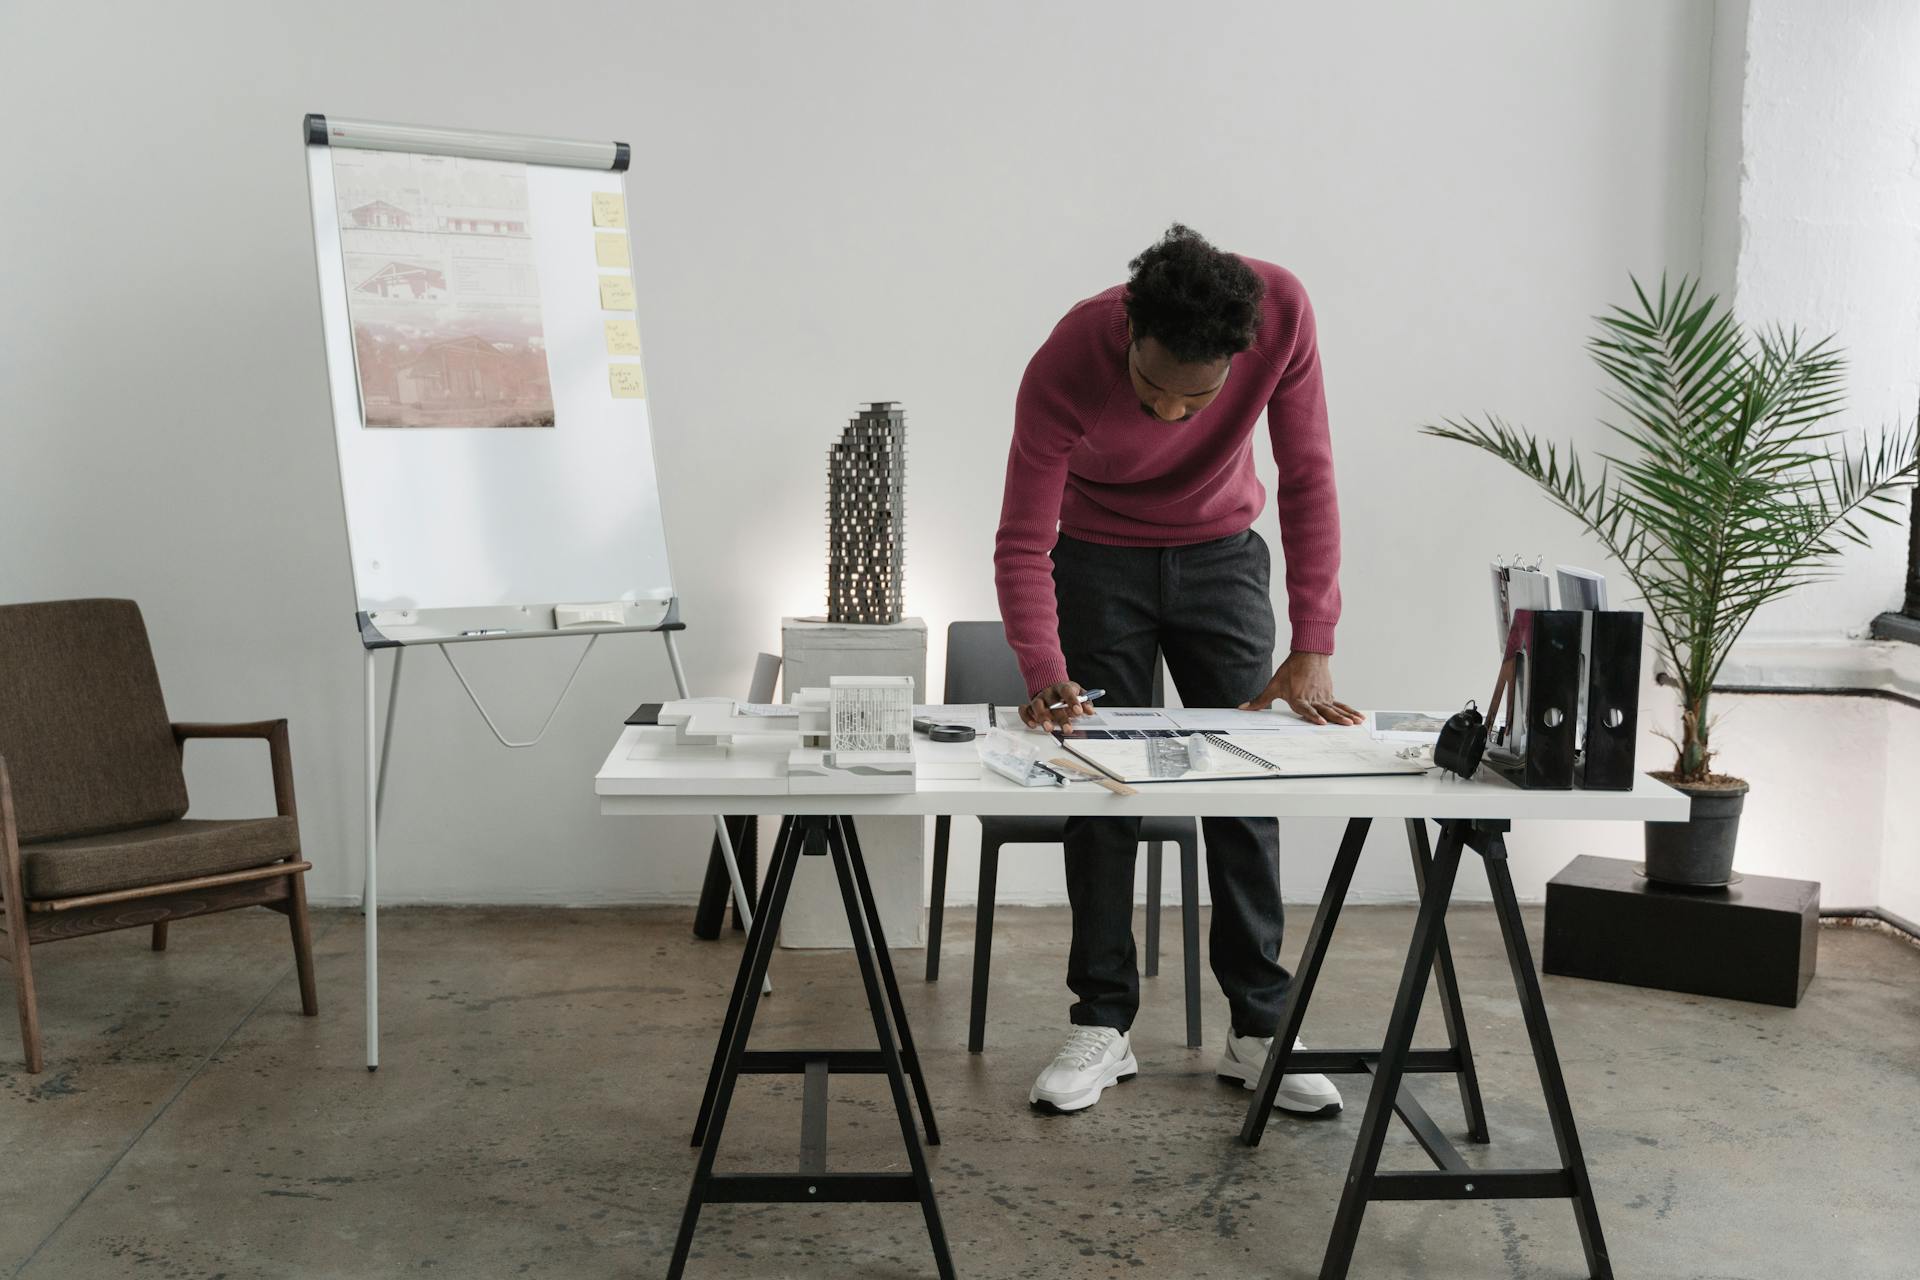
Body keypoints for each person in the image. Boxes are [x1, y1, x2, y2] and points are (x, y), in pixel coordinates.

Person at [993, 224, 1361, 1114]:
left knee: (1247, 786)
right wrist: (1043, 666)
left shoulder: (1285, 317)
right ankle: (1104, 1023)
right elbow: (1021, 538)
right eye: (1150, 389)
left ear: (1240, 356)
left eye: (1192, 403)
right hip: (1098, 560)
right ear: (1128, 335)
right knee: (1103, 784)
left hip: (1223, 559)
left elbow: (1306, 472)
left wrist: (1314, 642)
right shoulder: (1068, 360)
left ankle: (1260, 1026)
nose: (1165, 415)